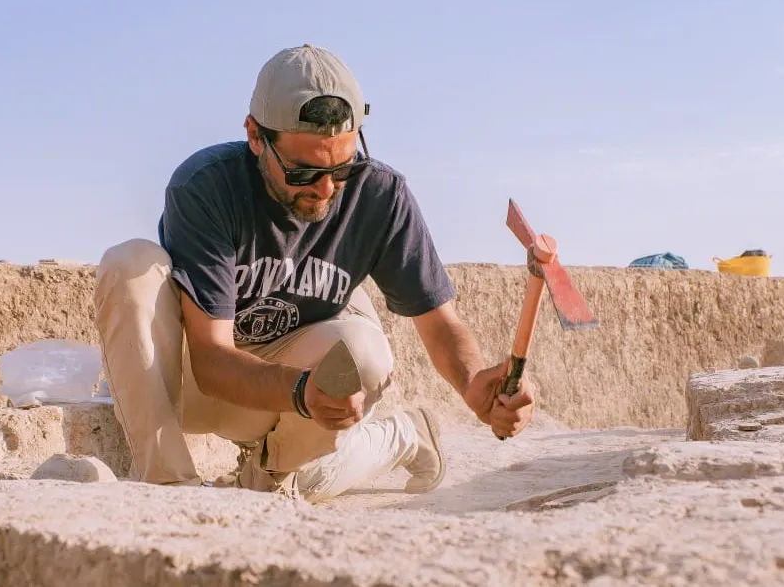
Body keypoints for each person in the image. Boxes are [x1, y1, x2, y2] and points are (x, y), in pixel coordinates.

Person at [93, 43, 537, 503]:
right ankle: (169, 489)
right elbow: (210, 359)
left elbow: (440, 322)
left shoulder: (380, 195)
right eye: (303, 172)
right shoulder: (206, 187)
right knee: (130, 264)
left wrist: (472, 383)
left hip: (297, 403)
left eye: (342, 168)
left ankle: (283, 475)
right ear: (255, 136)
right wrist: (301, 391)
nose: (326, 189)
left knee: (362, 358)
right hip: (204, 387)